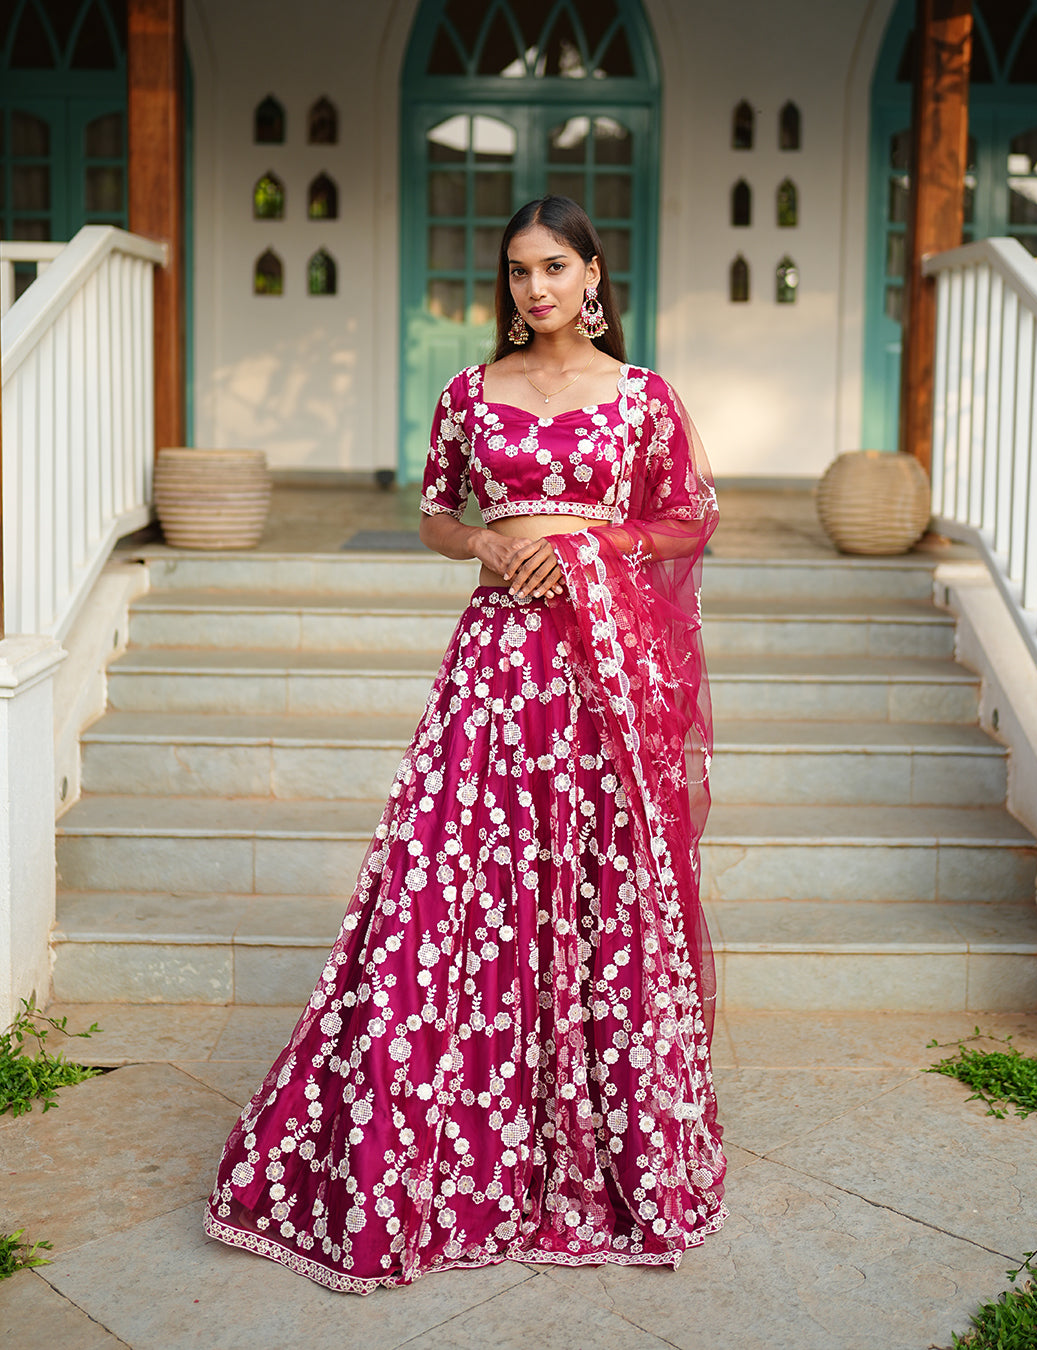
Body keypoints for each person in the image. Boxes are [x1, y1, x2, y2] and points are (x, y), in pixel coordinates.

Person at [204, 195, 727, 1294]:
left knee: (593, 891)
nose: (533, 290)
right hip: (494, 673)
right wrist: (488, 543)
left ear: (594, 275)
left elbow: (691, 515)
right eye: (517, 272)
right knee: (452, 890)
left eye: (553, 268)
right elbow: (436, 512)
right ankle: (443, 1155)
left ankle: (598, 1151)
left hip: (597, 679)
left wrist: (594, 542)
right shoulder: (467, 394)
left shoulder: (643, 398)